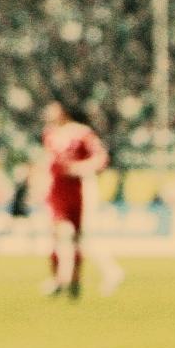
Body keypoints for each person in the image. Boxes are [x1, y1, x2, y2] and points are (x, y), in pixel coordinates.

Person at [39, 100, 125, 298]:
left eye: (53, 109)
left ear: (63, 111)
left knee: (79, 237)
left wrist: (79, 168)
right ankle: (59, 279)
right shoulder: (49, 134)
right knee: (58, 233)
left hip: (79, 189)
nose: (48, 113)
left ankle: (75, 279)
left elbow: (101, 158)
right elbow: (49, 161)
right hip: (57, 190)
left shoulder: (82, 133)